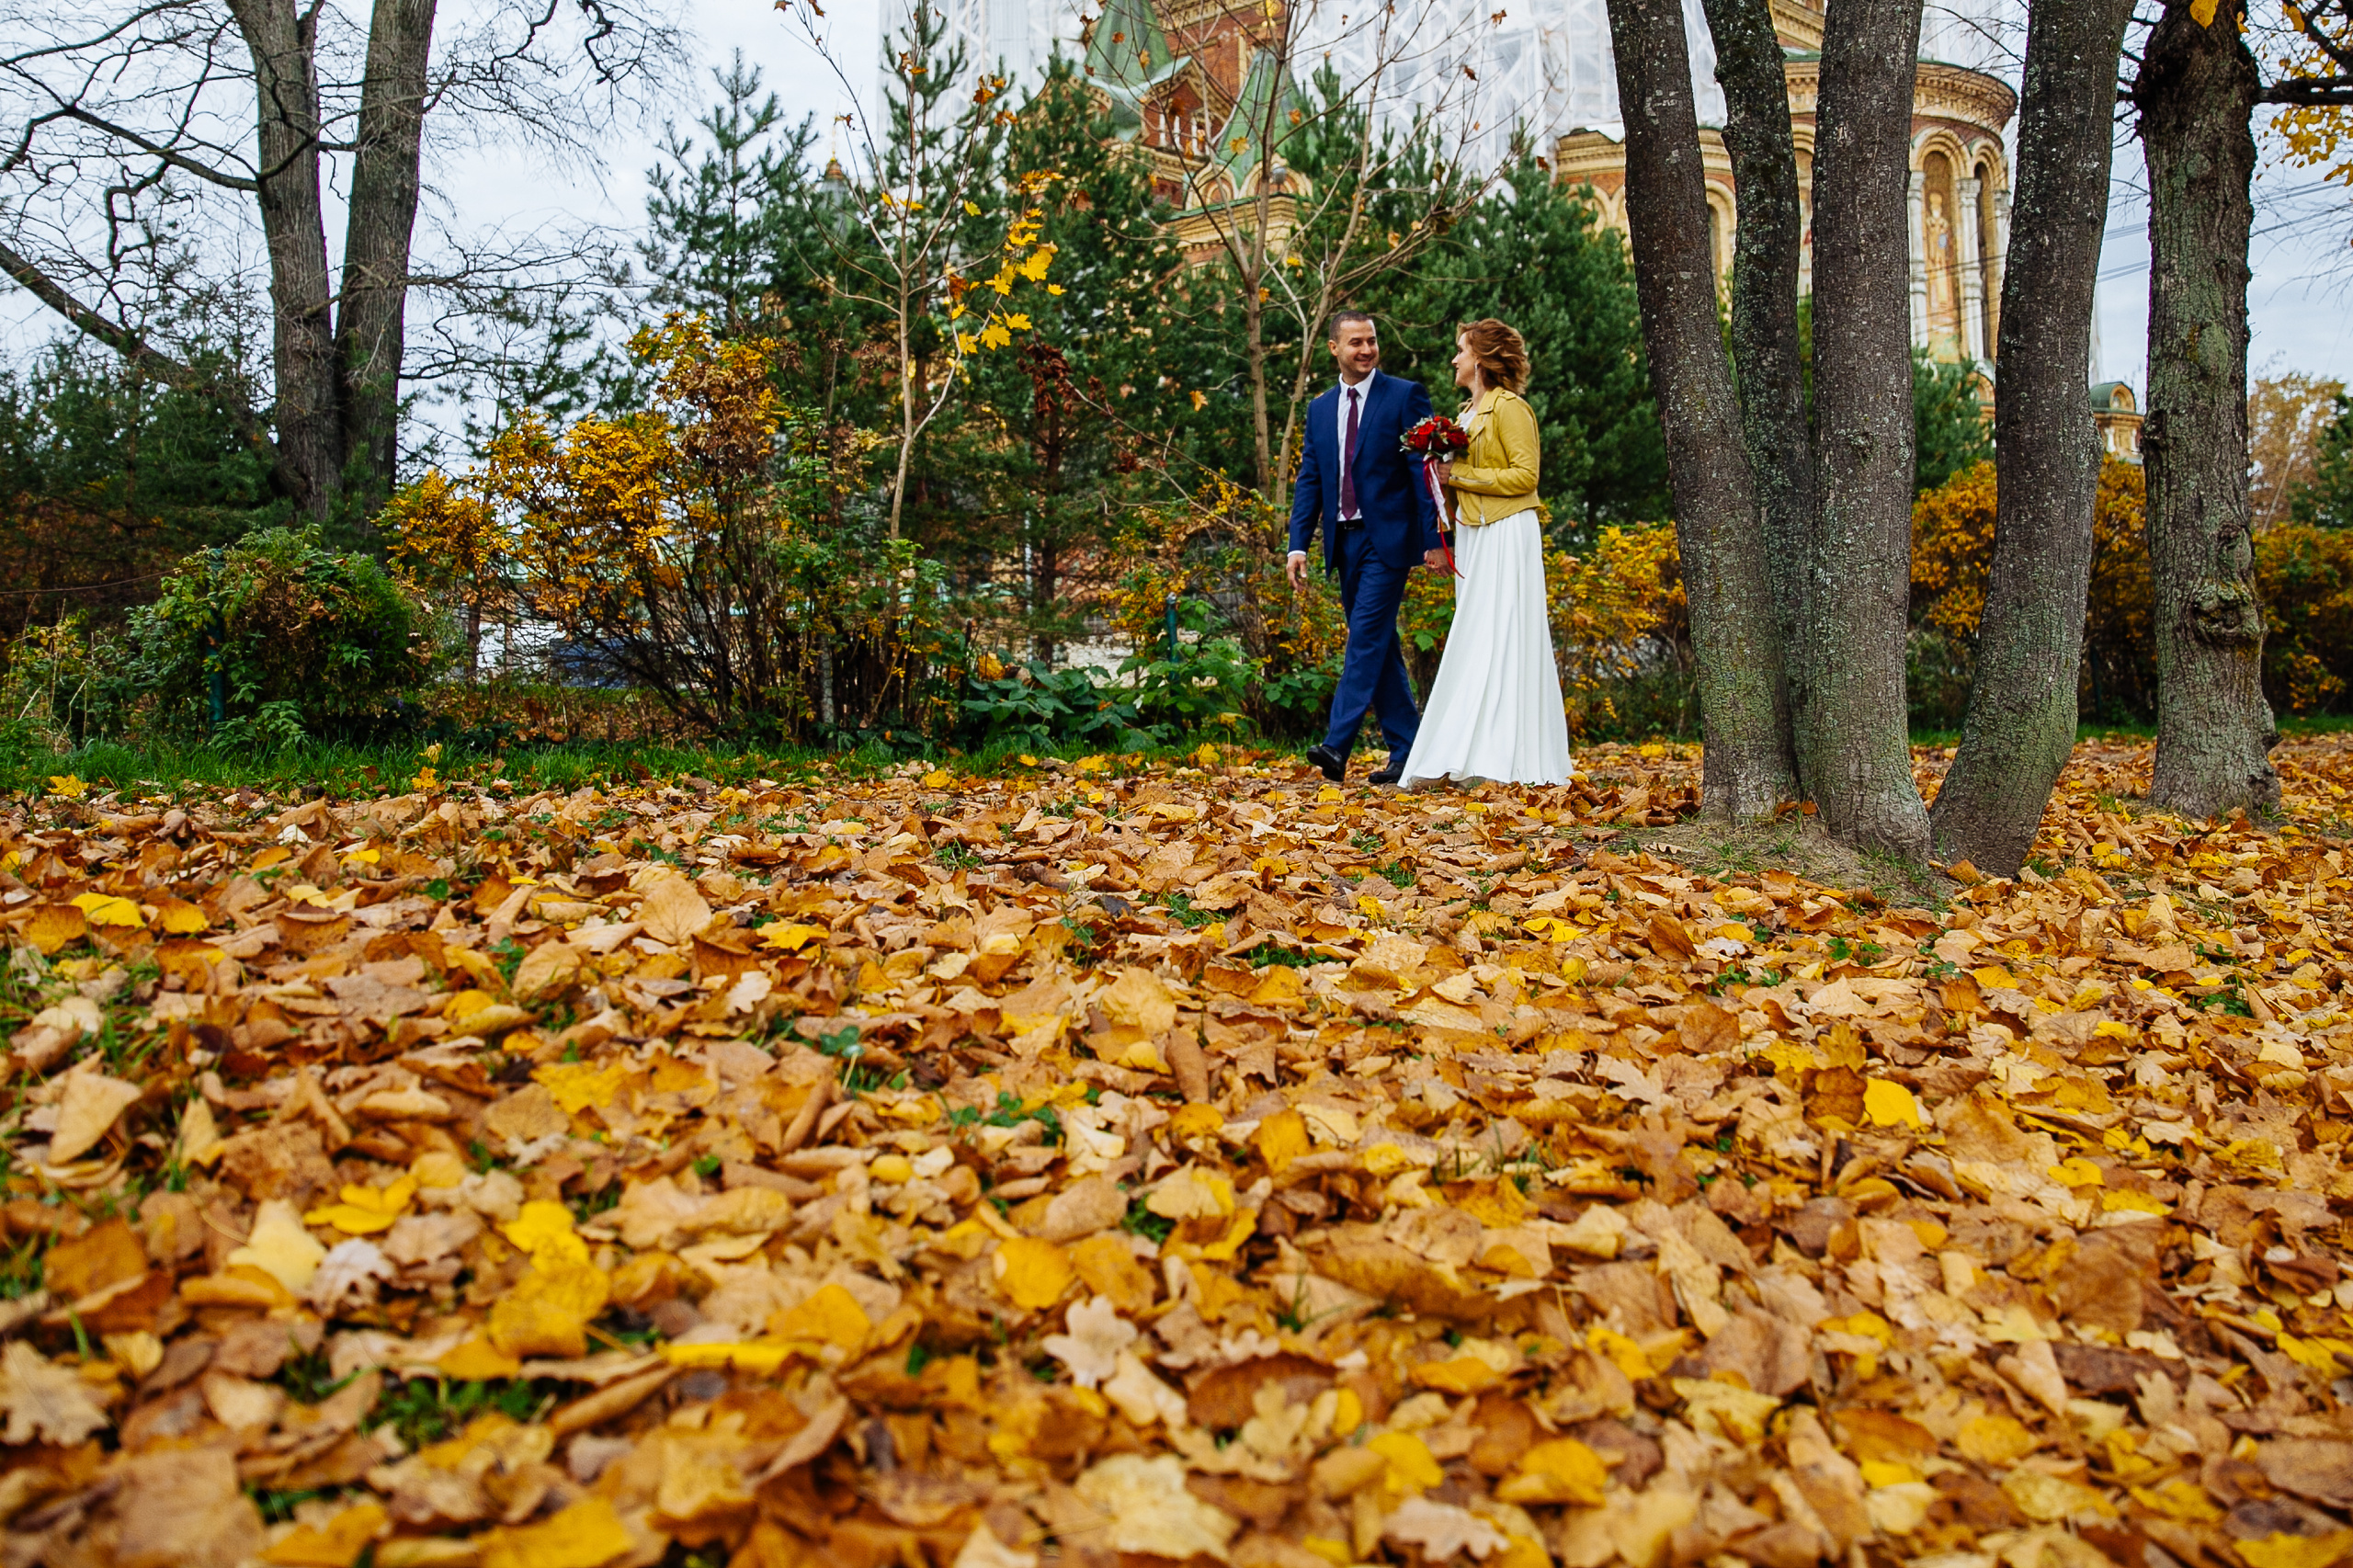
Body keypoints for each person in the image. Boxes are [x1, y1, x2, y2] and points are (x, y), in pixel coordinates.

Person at [1399, 319, 1573, 789]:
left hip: (1507, 532)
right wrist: (1443, 516)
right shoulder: (1464, 415)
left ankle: (1503, 758)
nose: (1455, 359)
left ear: (1482, 357)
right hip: (1474, 534)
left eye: (1461, 350)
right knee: (1477, 639)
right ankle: (1468, 752)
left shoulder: (1511, 409)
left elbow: (1525, 477)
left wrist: (1459, 476)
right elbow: (1452, 484)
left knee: (1504, 637)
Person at [1287, 311, 1449, 785]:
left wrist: (1435, 540)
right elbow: (1310, 479)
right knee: (1379, 644)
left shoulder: (1404, 395)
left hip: (1388, 542)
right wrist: (1298, 545)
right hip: (1343, 543)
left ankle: (1337, 744)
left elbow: (1425, 475)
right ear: (1334, 348)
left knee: (1364, 639)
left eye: (1372, 341)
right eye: (1355, 342)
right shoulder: (1319, 409)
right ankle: (1408, 751)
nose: (1366, 350)